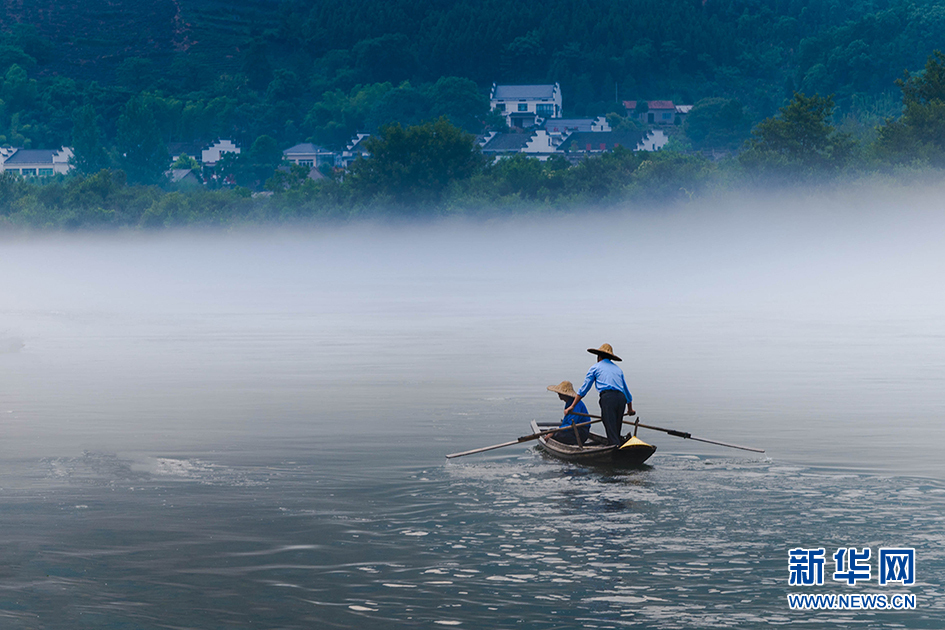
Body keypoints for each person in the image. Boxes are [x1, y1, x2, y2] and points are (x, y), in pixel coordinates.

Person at [564, 343, 634, 446]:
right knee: (616, 426)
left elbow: (584, 389)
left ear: (599, 357)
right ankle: (617, 444)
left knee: (609, 424)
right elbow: (626, 392)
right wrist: (630, 409)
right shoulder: (618, 370)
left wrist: (572, 406)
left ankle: (614, 448)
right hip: (621, 398)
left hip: (608, 398)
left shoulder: (595, 368)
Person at [546, 381, 590, 445]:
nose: (559, 395)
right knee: (551, 431)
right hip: (573, 430)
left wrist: (555, 432)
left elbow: (571, 425)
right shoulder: (568, 403)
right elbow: (566, 422)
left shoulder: (575, 405)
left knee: (556, 435)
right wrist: (555, 430)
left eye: (560, 393)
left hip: (580, 432)